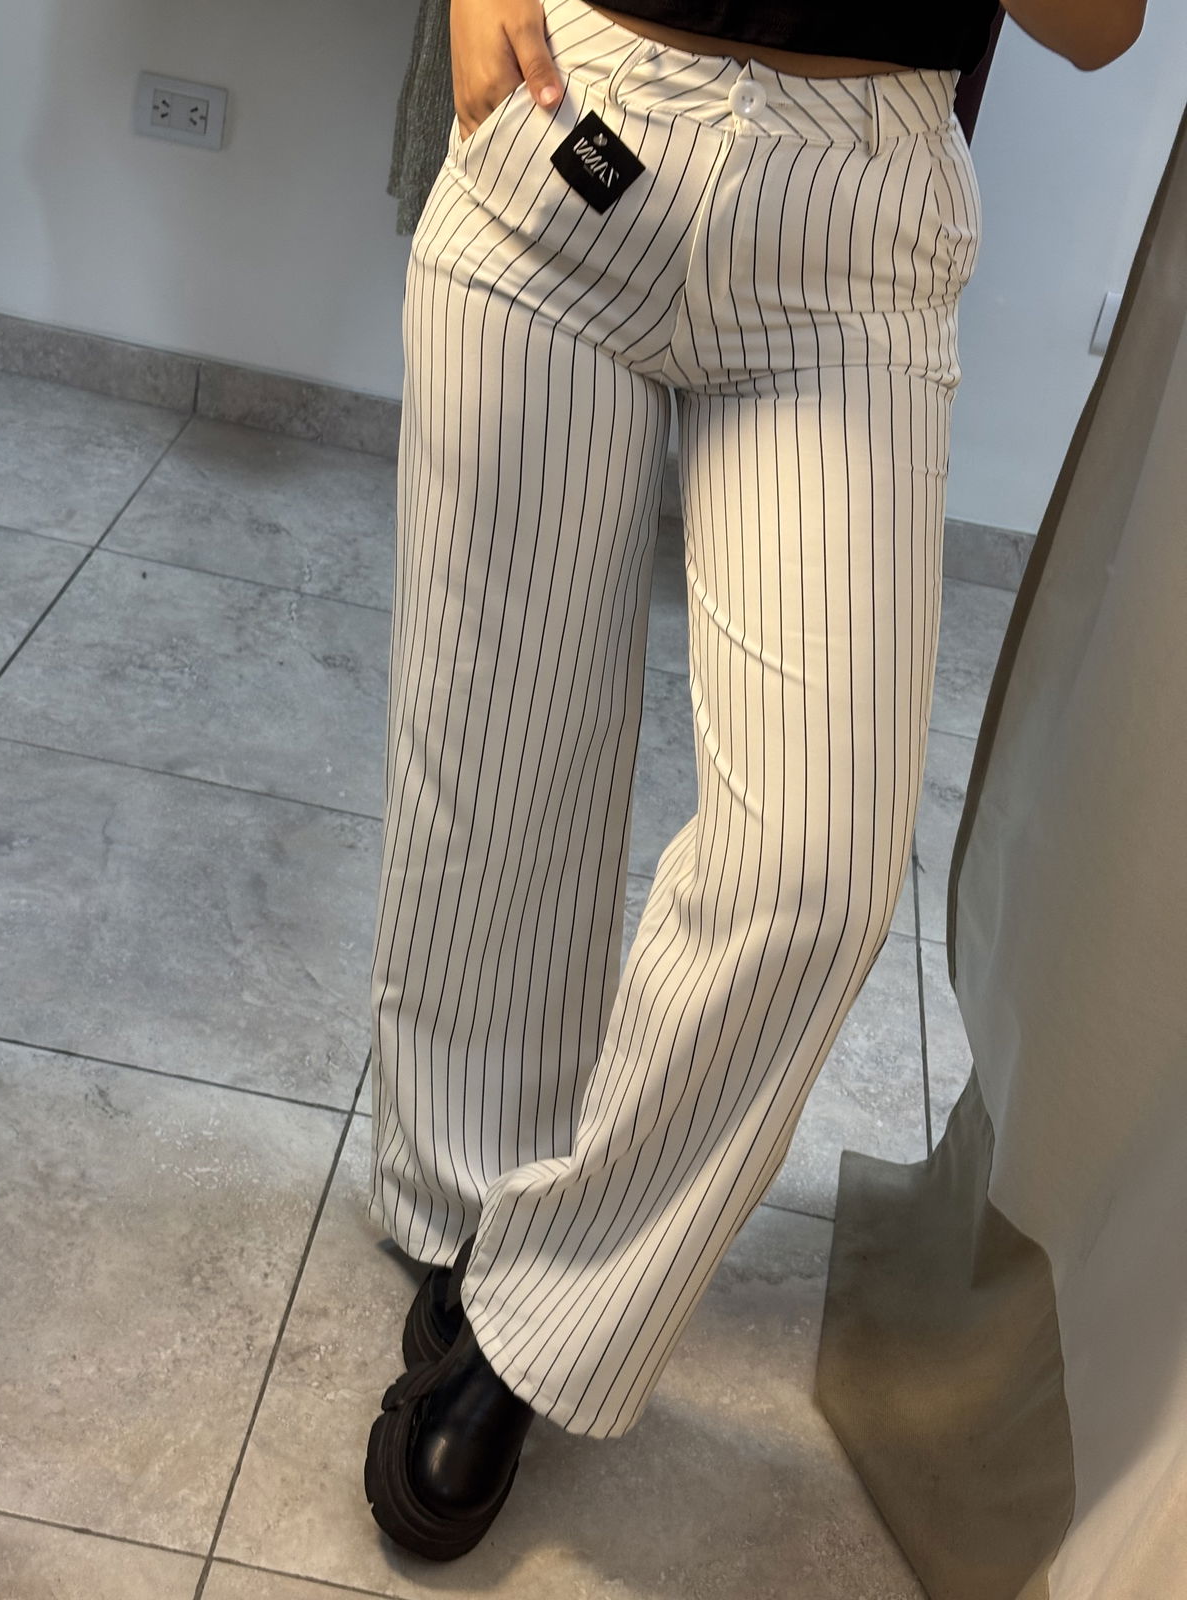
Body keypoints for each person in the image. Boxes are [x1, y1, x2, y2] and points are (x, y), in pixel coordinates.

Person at [361, 0, 993, 1563]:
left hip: (853, 229)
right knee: (490, 763)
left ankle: (539, 1315)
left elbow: (1103, 28)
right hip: (576, 114)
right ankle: (462, 1204)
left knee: (817, 872)